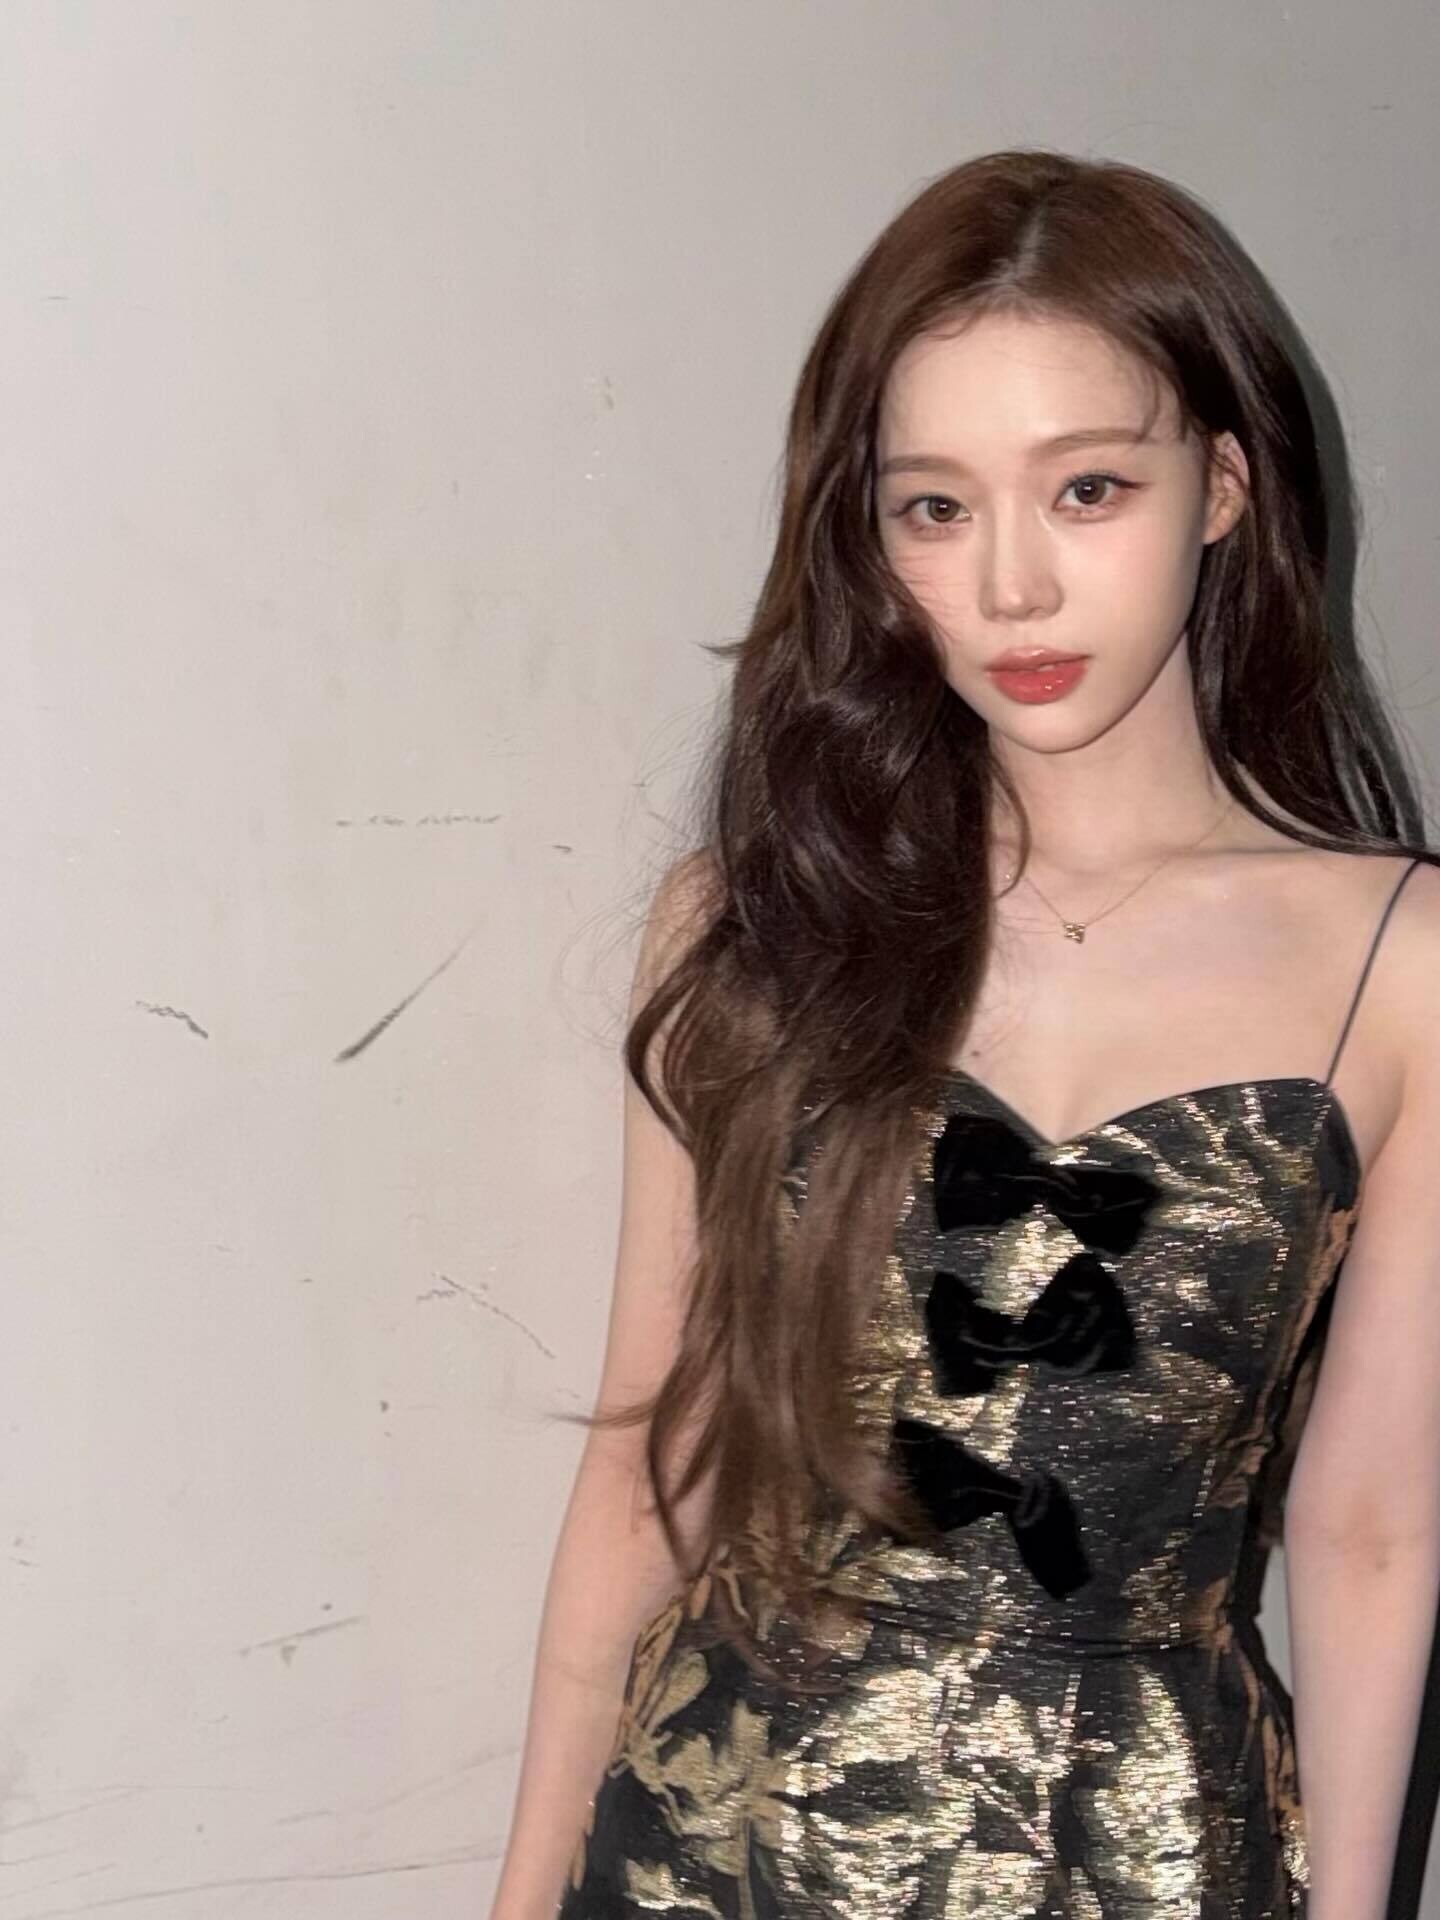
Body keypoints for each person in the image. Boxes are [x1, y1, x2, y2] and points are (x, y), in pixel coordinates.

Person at [490, 148, 1440, 1919]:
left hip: (1149, 1855)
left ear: (1224, 486)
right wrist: (524, 1894)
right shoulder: (750, 919)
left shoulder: (1406, 963)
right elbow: (651, 1462)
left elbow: (1372, 1523)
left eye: (1088, 489)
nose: (1011, 587)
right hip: (729, 1844)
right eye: (933, 508)